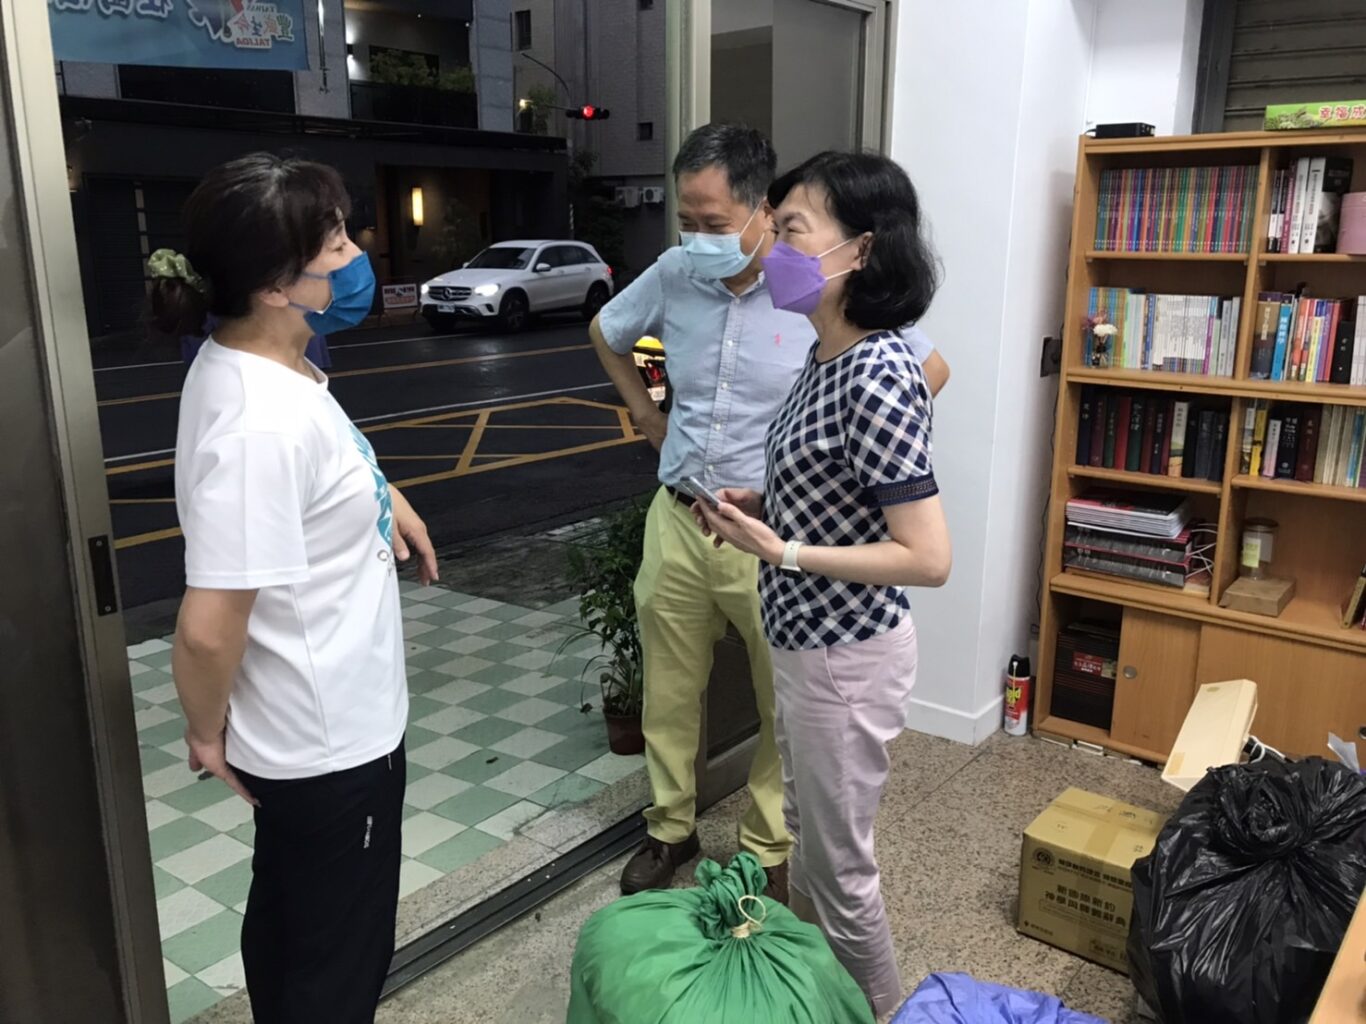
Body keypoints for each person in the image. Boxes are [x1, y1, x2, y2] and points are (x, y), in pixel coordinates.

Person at [589, 123, 949, 901]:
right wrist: (646, 415)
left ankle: (764, 846)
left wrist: (841, 469)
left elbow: (929, 368)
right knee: (669, 691)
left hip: (772, 533)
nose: (698, 237)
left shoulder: (819, 295)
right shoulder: (675, 274)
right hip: (681, 513)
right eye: (687, 219)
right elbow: (606, 330)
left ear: (763, 212)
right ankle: (669, 827)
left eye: (715, 222)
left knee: (781, 704)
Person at [148, 153, 437, 1024]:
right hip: (329, 748)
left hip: (319, 731)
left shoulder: (270, 363)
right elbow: (207, 629)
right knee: (335, 970)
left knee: (290, 933)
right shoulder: (258, 424)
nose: (357, 257)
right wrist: (206, 734)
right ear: (276, 285)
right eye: (336, 244)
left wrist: (384, 497)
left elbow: (319, 464)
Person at [693, 150, 952, 1017]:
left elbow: (927, 556)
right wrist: (764, 506)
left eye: (792, 229)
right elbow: (844, 491)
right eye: (773, 229)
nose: (771, 250)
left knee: (840, 871)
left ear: (862, 249)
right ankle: (810, 998)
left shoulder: (875, 370)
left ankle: (877, 1011)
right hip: (808, 644)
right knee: (805, 843)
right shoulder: (825, 357)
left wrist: (785, 553)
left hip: (847, 655)